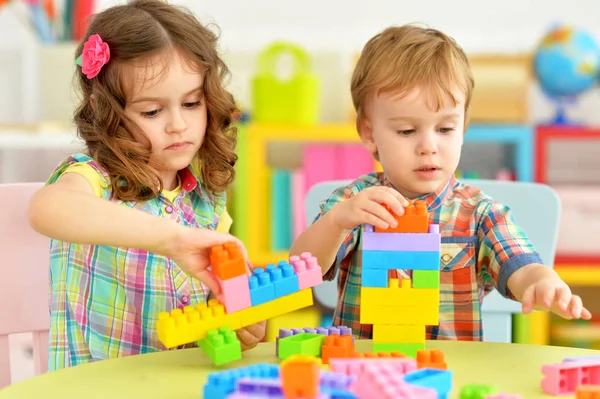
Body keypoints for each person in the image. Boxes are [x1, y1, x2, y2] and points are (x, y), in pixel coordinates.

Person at [290, 24, 591, 341]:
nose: (428, 146)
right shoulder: (355, 202)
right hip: (366, 371)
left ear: (463, 127)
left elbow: (522, 267)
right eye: (407, 131)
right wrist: (337, 222)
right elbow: (301, 270)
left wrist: (543, 283)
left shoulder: (481, 215)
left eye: (445, 129)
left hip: (451, 376)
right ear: (369, 133)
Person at [28, 0, 265, 370]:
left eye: (191, 103)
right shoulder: (93, 178)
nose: (178, 126)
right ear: (106, 110)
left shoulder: (206, 200)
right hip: (98, 390)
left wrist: (237, 325)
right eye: (152, 111)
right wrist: (170, 239)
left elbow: (214, 316)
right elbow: (47, 209)